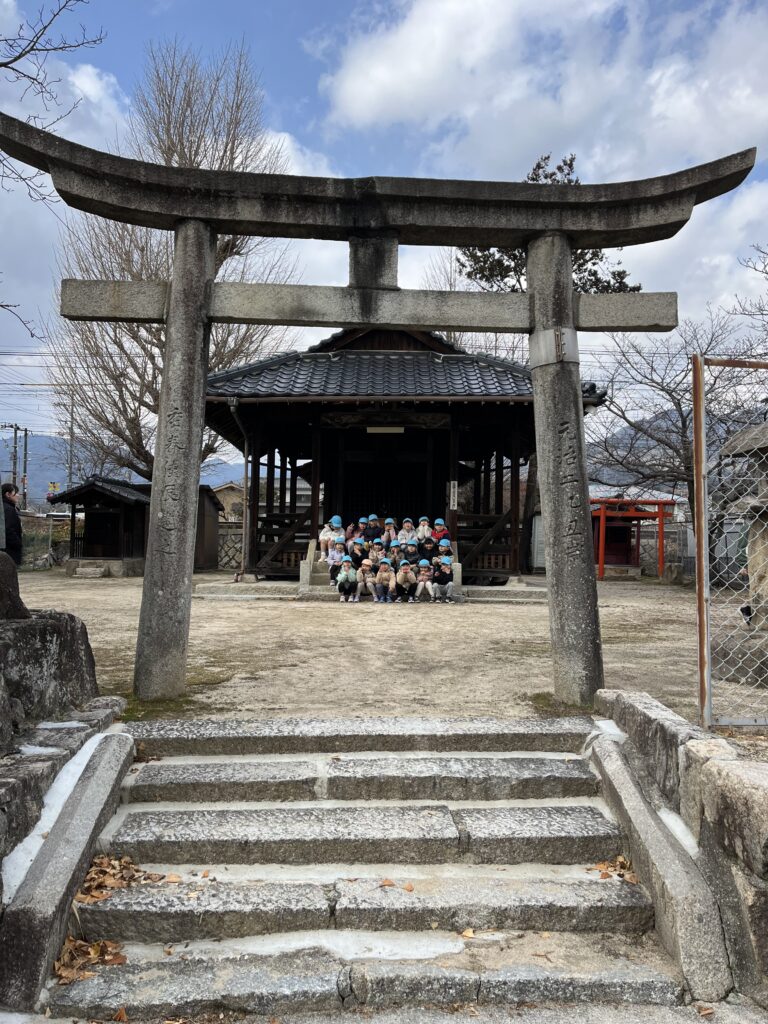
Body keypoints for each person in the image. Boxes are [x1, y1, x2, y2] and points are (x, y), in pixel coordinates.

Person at [1, 483, 22, 566]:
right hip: (9, 550)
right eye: (15, 493)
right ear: (8, 494)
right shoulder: (8, 509)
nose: (18, 495)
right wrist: (18, 543)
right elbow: (8, 529)